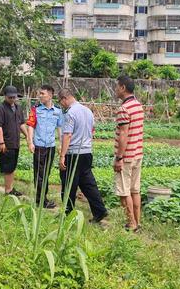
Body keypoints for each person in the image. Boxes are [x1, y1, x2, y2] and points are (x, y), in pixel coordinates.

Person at [58, 88, 108, 224]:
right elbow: (92, 130)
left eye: (61, 102)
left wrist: (62, 156)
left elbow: (67, 135)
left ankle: (68, 214)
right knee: (88, 184)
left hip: (73, 153)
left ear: (64, 99)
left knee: (69, 184)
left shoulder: (70, 113)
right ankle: (100, 210)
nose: (61, 105)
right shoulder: (88, 111)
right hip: (87, 152)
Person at [113, 75, 144, 232]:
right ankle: (137, 222)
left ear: (123, 88)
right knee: (135, 190)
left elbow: (123, 135)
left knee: (124, 192)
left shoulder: (124, 109)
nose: (116, 89)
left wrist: (119, 157)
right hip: (138, 154)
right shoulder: (138, 105)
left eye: (117, 86)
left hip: (126, 157)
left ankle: (131, 223)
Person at [26, 84, 64, 208]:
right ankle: (41, 200)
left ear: (50, 95)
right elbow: (31, 125)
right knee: (39, 173)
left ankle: (42, 198)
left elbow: (60, 128)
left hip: (51, 147)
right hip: (39, 146)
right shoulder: (36, 109)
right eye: (40, 93)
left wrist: (60, 145)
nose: (40, 96)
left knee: (46, 173)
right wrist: (30, 142)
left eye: (43, 94)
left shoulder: (58, 111)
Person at [0, 85, 28, 196]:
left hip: (15, 142)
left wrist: (27, 136)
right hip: (6, 143)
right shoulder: (0, 108)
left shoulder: (18, 108)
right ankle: (8, 191)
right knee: (8, 167)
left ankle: (10, 189)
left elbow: (21, 124)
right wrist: (1, 142)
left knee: (12, 166)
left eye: (14, 97)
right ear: (5, 97)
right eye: (10, 97)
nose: (12, 99)